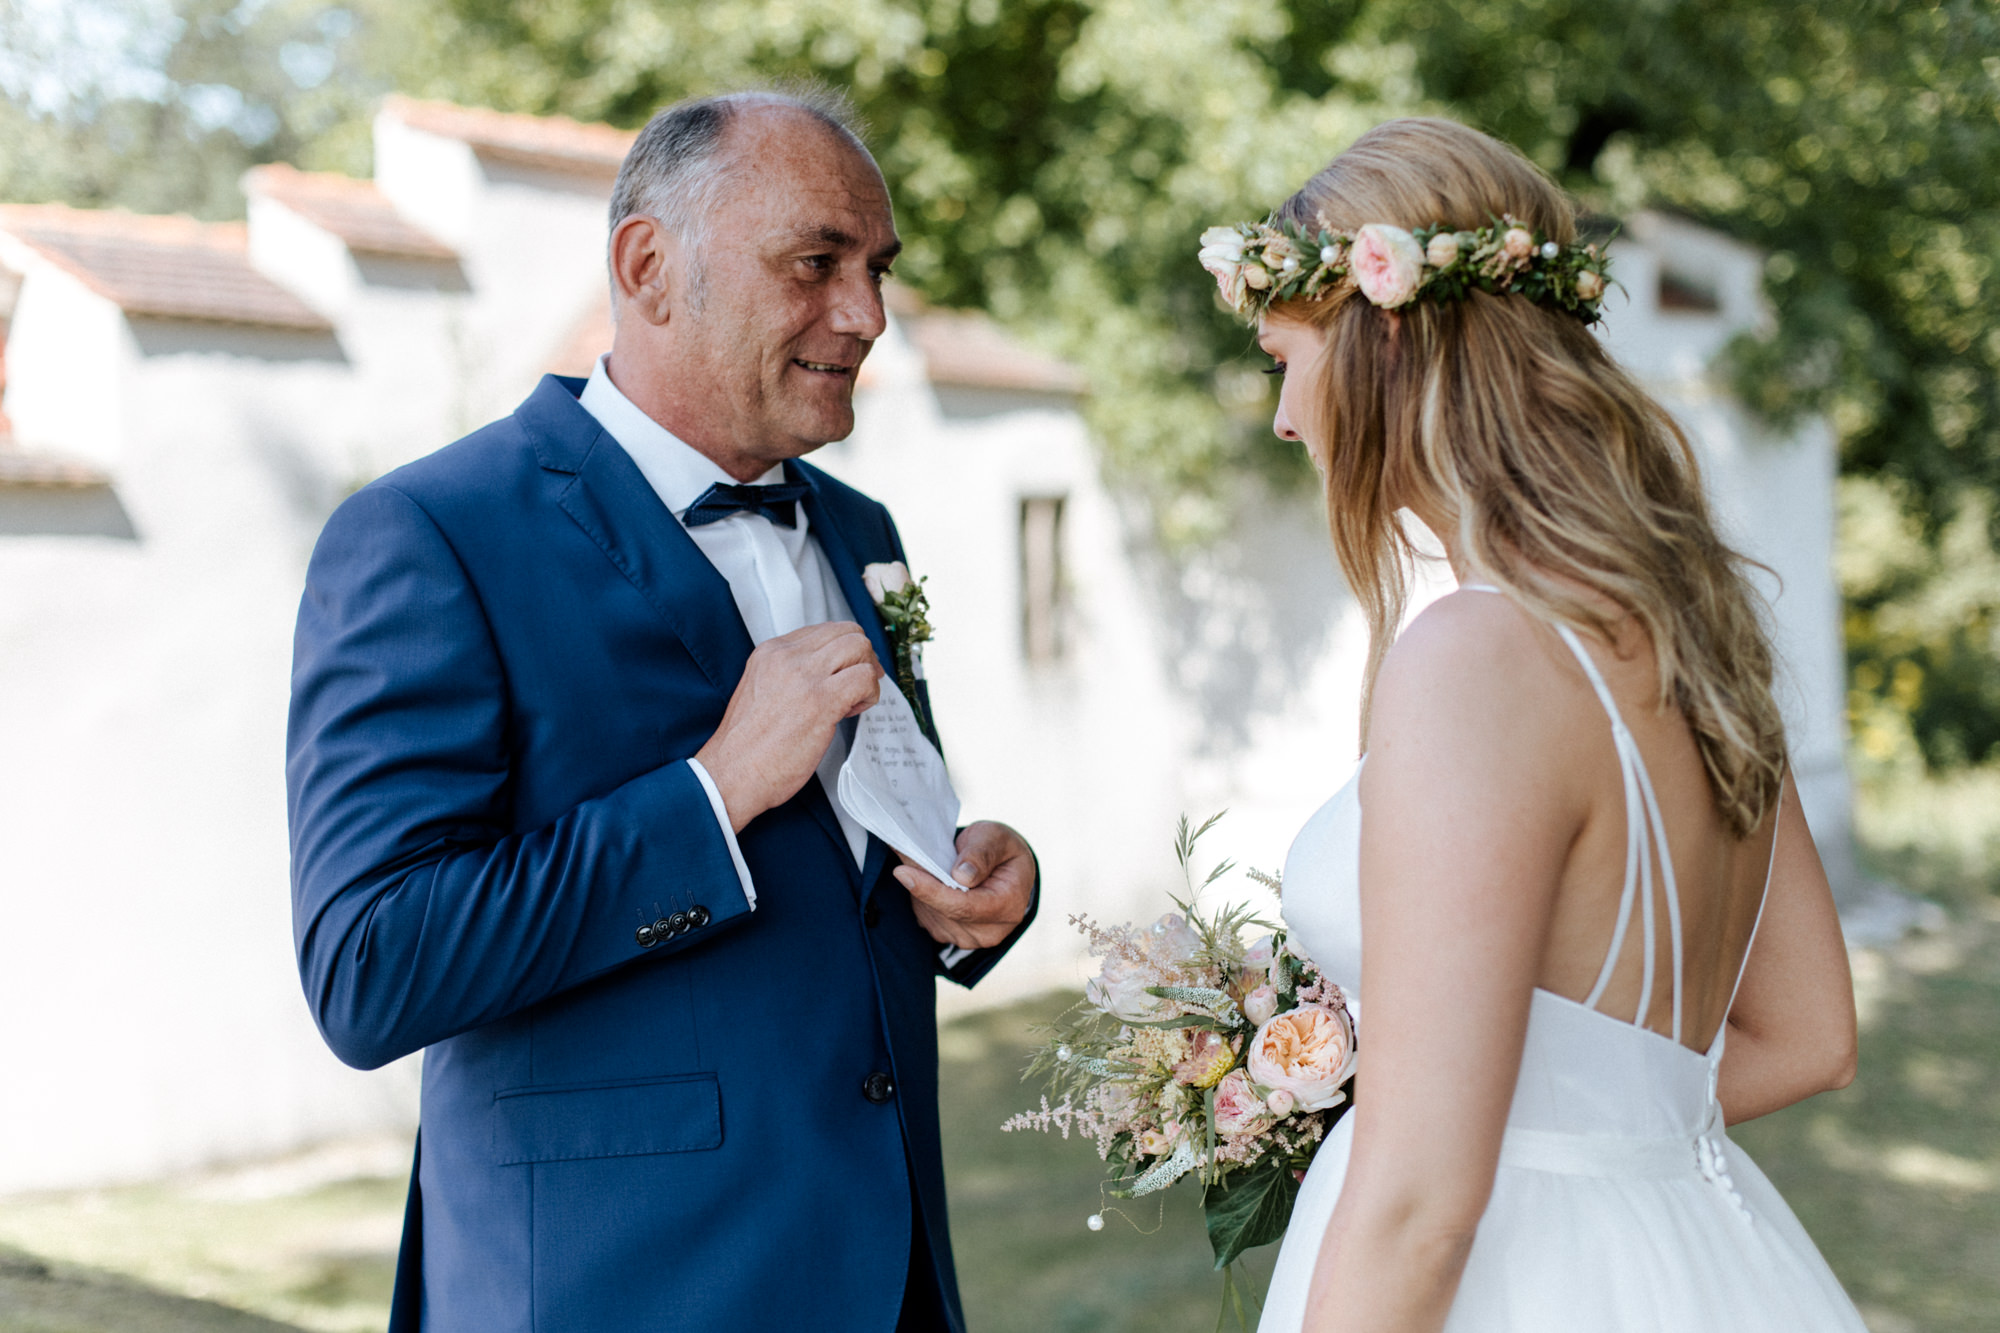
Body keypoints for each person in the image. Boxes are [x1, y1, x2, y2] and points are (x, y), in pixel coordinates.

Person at [285, 87, 1037, 1333]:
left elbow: (861, 850)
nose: (866, 316)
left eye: (876, 270)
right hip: (617, 1290)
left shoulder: (860, 532)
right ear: (649, 267)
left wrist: (970, 888)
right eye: (816, 264)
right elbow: (371, 966)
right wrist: (715, 791)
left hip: (889, 1279)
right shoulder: (429, 536)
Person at [1194, 118, 1867, 1331]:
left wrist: (1411, 1141)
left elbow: (1421, 1206)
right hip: (1695, 1257)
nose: (1287, 419)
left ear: (1382, 339)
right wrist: (1592, 1134)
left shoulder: (1470, 654)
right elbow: (1808, 1033)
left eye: (1285, 359)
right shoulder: (1690, 632)